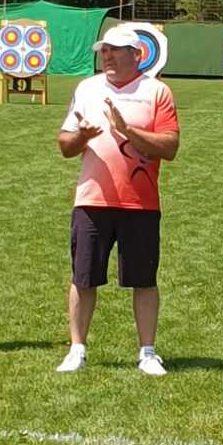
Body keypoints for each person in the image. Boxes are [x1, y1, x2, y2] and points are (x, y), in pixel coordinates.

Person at [56, 25, 180, 376]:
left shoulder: (157, 91)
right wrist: (81, 136)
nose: (107, 56)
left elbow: (170, 147)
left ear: (136, 55)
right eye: (104, 50)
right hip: (91, 200)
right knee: (83, 277)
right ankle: (77, 349)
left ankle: (148, 352)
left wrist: (128, 131)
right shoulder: (87, 88)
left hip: (141, 203)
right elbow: (65, 146)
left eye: (114, 50)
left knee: (144, 279)